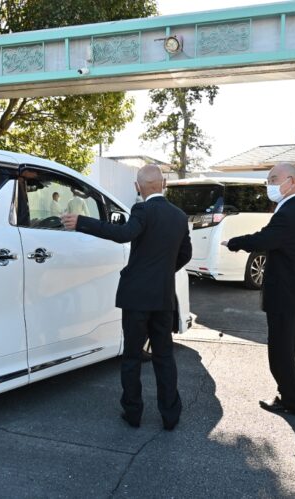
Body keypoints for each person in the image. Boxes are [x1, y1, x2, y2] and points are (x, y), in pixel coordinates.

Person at [62, 165, 192, 430]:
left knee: (132, 357)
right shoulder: (179, 216)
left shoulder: (142, 210)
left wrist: (82, 222)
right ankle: (170, 416)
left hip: (136, 298)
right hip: (163, 296)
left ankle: (133, 413)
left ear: (137, 187)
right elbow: (185, 254)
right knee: (164, 356)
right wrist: (164, 272)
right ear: (164, 183)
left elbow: (124, 234)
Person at [222, 162, 295, 416]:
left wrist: (233, 242)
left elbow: (264, 239)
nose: (269, 185)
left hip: (285, 292)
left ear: (291, 181)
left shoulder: (287, 213)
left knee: (281, 346)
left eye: (273, 179)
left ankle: (288, 399)